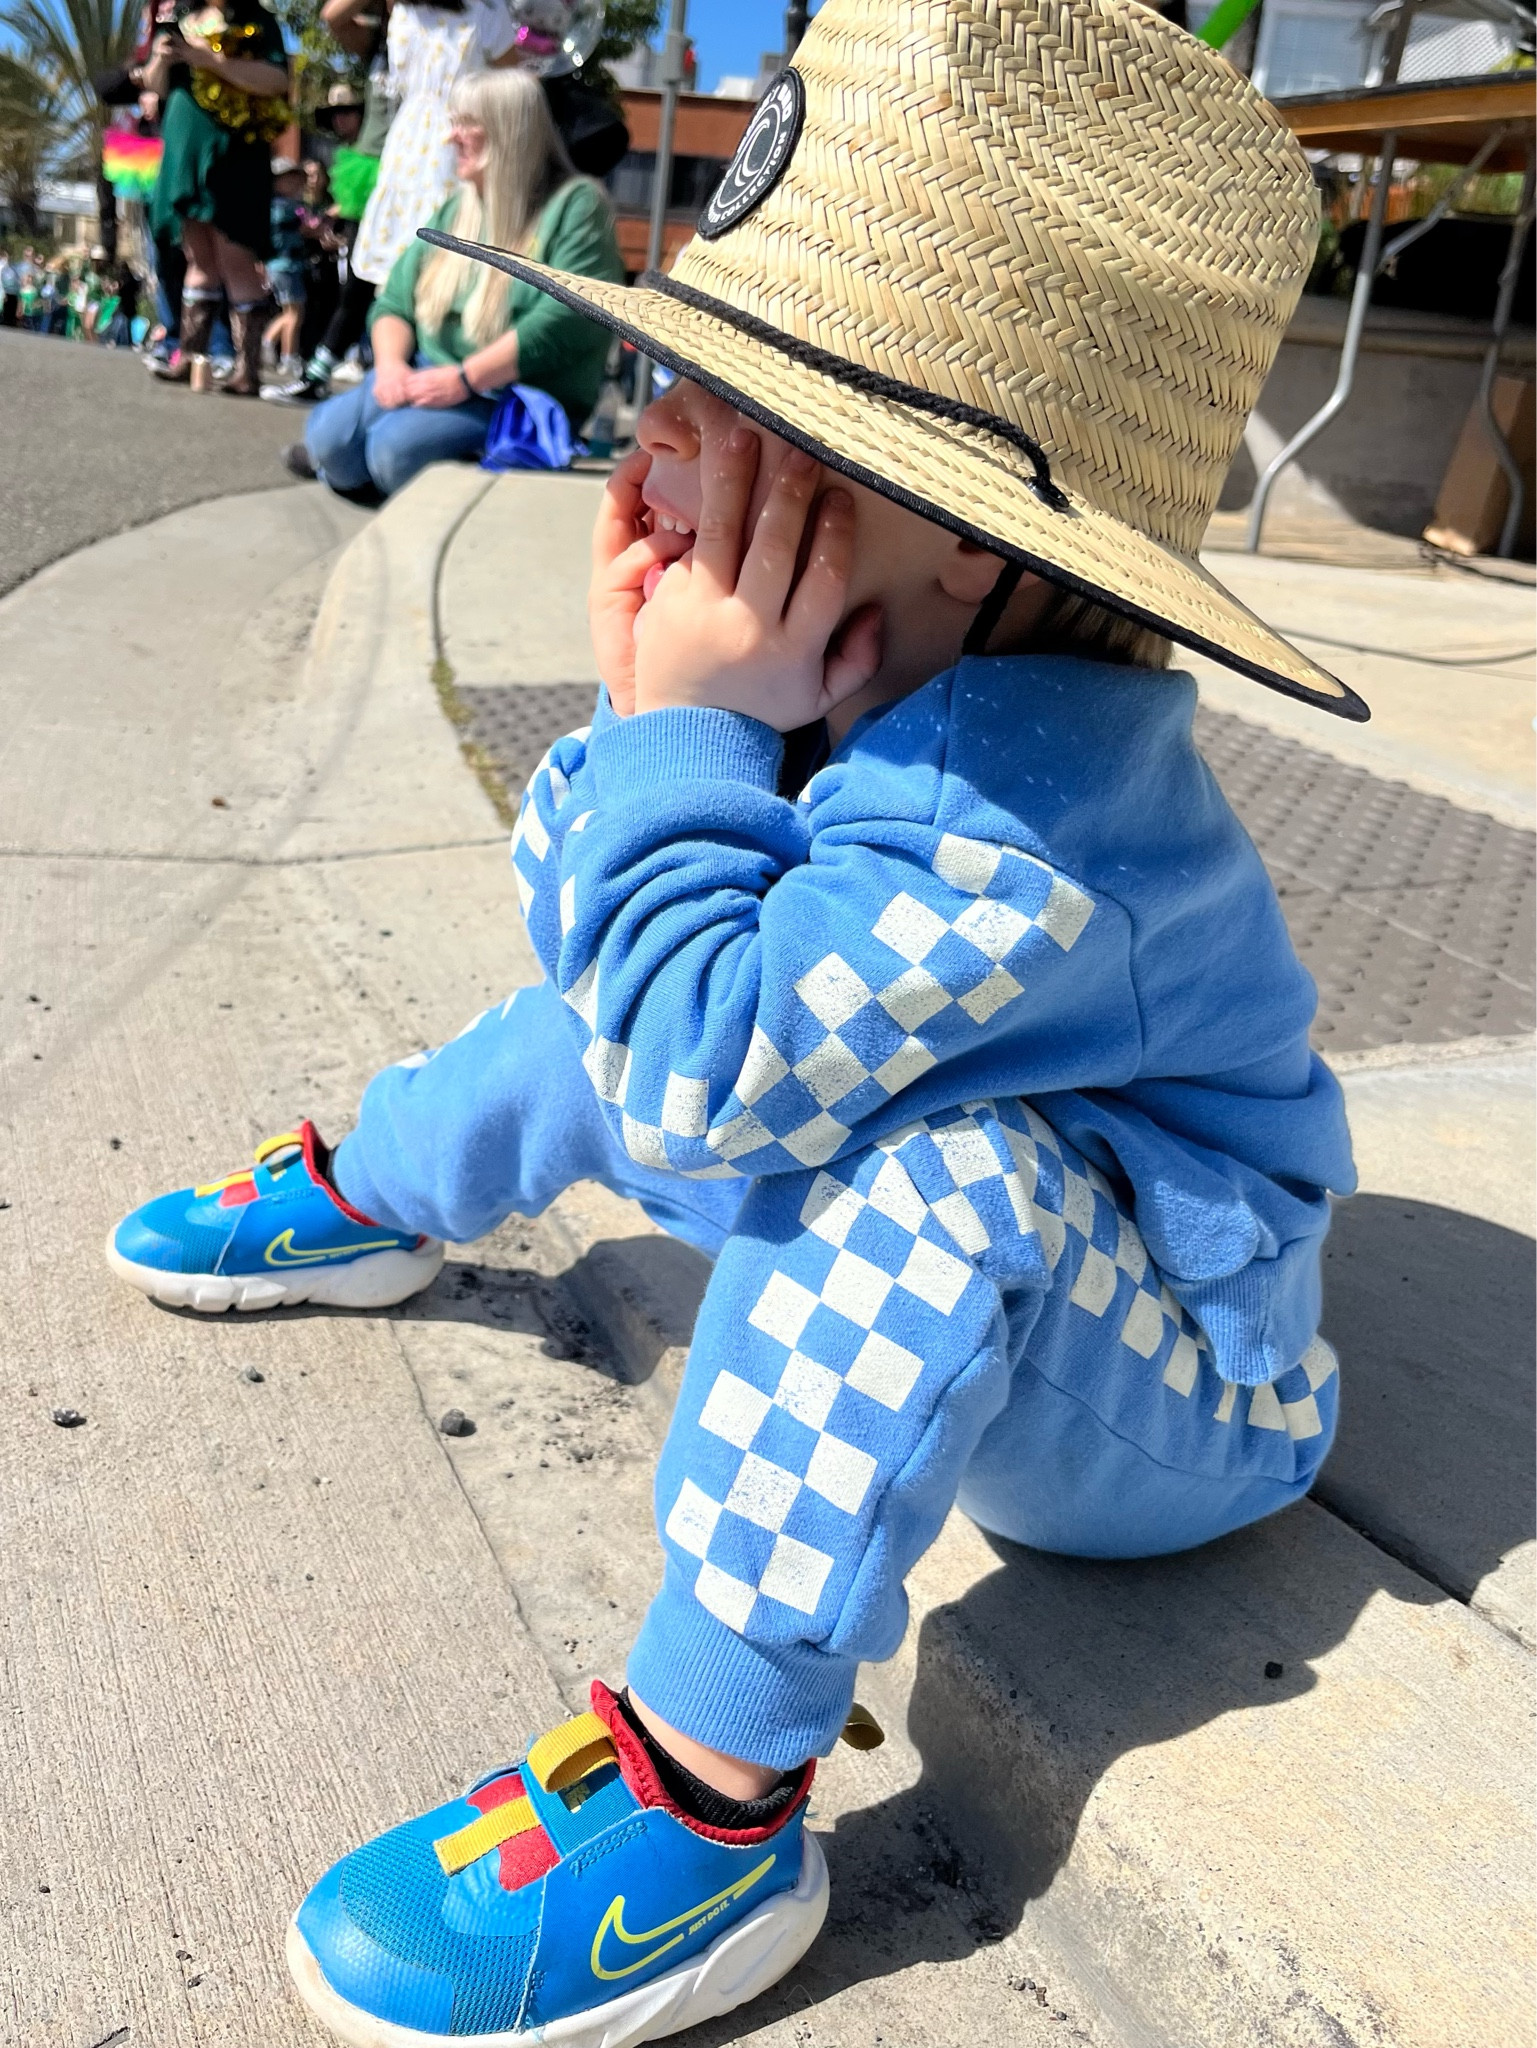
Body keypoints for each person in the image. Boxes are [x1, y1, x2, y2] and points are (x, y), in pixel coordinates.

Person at [106, 3, 1368, 2041]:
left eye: (724, 398)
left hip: (1189, 1400)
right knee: (631, 1017)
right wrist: (676, 741)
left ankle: (715, 1792)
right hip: (1026, 1242)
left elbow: (705, 1048)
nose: (648, 433)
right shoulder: (884, 692)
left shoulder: (1034, 820)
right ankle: (379, 1181)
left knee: (920, 1179)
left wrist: (663, 729)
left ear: (962, 522)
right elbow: (634, 993)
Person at [294, 64, 620, 498]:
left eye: (468, 125)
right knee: (330, 440)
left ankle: (400, 472)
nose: (452, 138)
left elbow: (567, 316)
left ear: (509, 132)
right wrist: (390, 368)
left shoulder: (577, 205)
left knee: (394, 452)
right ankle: (357, 465)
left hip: (513, 396)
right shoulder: (456, 208)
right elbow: (393, 303)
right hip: (427, 371)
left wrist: (465, 379)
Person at [143, 0, 289, 394]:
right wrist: (161, 59)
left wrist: (208, 59)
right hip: (184, 149)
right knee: (198, 257)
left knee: (235, 258)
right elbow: (156, 88)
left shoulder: (258, 22)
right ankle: (191, 358)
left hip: (233, 152)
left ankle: (248, 370)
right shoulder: (179, 18)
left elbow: (277, 80)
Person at [264, 155, 309, 377]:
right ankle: (288, 357)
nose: (295, 183)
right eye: (288, 179)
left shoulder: (276, 206)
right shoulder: (285, 208)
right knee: (295, 314)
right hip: (286, 266)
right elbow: (306, 227)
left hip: (280, 265)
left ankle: (266, 343)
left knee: (288, 311)